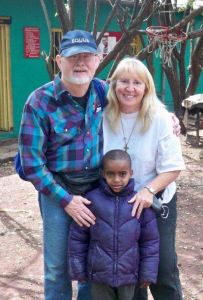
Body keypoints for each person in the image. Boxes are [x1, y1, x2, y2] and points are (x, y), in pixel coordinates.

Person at [18, 29, 180, 300]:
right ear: (59, 61)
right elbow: (32, 164)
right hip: (58, 191)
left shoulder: (103, 92)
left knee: (92, 263)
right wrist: (67, 200)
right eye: (73, 57)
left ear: (97, 60)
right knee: (58, 267)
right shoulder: (39, 101)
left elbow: (138, 97)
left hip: (97, 188)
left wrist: (169, 117)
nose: (80, 63)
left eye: (87, 57)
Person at [103, 57, 185, 300]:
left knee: (162, 269)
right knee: (131, 272)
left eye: (137, 83)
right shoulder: (103, 116)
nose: (130, 88)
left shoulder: (160, 118)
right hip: (120, 204)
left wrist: (148, 191)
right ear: (114, 85)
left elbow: (173, 168)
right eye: (124, 81)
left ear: (146, 87)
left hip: (156, 202)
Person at [68, 149, 160, 300]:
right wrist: (78, 270)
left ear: (131, 173)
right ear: (103, 174)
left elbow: (150, 242)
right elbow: (78, 239)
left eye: (122, 174)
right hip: (99, 276)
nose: (117, 179)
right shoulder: (91, 201)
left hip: (129, 276)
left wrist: (148, 273)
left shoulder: (139, 203)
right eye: (111, 174)